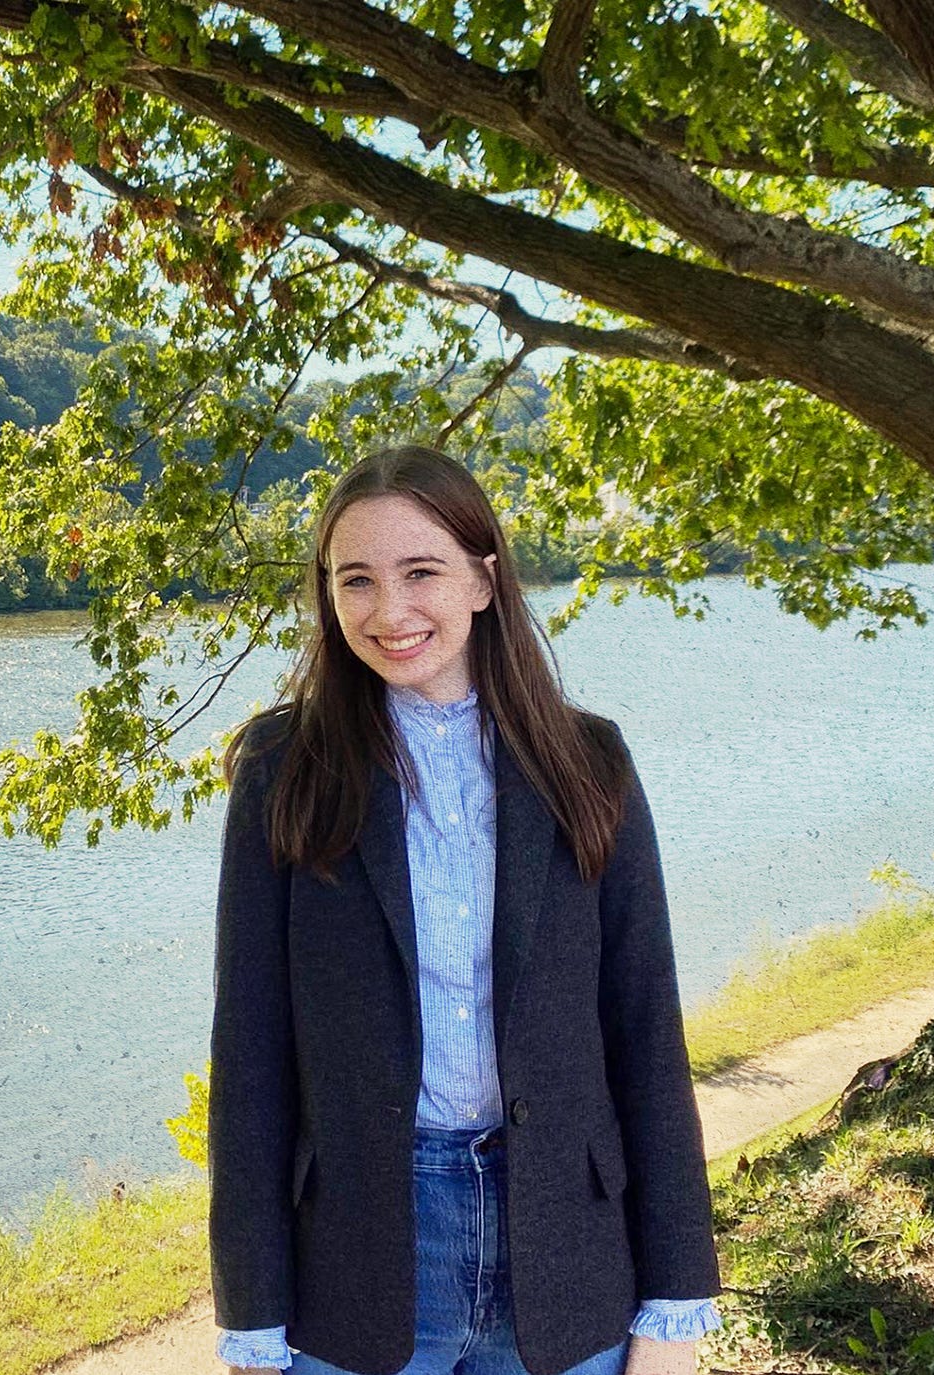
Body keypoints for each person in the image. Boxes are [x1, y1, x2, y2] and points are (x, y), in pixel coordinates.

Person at [209, 446, 721, 1375]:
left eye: (421, 572)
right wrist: (251, 1314)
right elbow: (250, 1051)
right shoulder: (284, 769)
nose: (388, 610)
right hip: (358, 1263)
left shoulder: (589, 762)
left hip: (568, 1250)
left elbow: (646, 1027)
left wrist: (676, 1299)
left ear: (484, 580)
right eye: (354, 580)